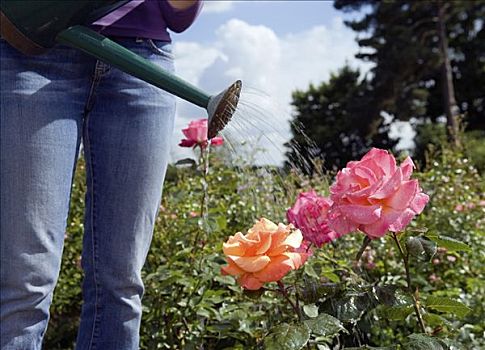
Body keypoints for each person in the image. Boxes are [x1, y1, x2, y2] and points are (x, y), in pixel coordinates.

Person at [0, 1, 203, 349]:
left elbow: (179, 13)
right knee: (25, 282)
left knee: (122, 284)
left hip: (142, 61)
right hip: (30, 47)